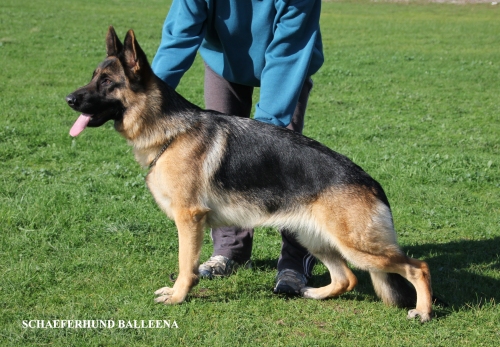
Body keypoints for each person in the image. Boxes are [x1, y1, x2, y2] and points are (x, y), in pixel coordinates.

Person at [152, 0, 324, 295]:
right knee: (220, 161)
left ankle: (295, 261)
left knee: (287, 160)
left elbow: (287, 52)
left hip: (290, 62)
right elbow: (179, 35)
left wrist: (266, 131)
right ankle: (230, 250)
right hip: (225, 63)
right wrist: (148, 97)